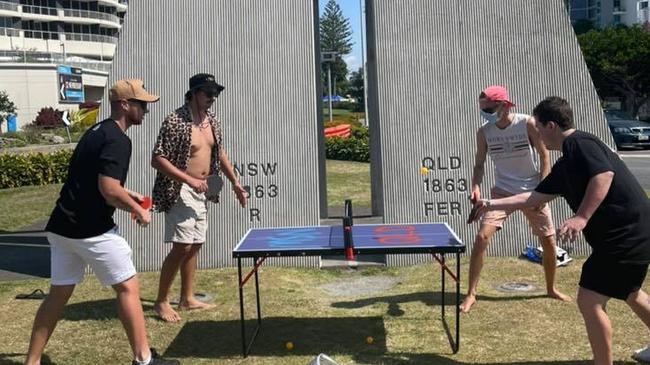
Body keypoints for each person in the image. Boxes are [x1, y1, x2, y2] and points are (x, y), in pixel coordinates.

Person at [470, 96, 650, 364]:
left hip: (626, 235)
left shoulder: (580, 143)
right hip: (634, 233)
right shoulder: (565, 165)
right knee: (630, 291)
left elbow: (604, 175)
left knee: (589, 300)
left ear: (551, 126)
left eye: (539, 128)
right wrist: (489, 204)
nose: (537, 134)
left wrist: (581, 217)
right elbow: (532, 198)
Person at [24, 79, 179, 365]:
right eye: (141, 104)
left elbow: (91, 181)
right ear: (124, 105)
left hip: (61, 228)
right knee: (128, 288)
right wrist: (138, 210)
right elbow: (108, 189)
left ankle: (31, 362)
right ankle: (144, 359)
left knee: (57, 295)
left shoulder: (95, 132)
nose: (146, 110)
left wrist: (129, 195)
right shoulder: (119, 140)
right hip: (91, 231)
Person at [460, 85, 570, 313]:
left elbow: (544, 155)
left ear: (503, 105)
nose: (485, 112)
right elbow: (479, 164)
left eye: (489, 108)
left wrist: (543, 190)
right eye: (482, 109)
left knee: (548, 242)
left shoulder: (527, 123)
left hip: (531, 191)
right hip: (501, 192)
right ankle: (471, 294)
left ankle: (551, 288)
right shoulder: (484, 132)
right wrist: (475, 186)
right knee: (481, 238)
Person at [152, 73, 246, 323]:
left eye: (215, 93)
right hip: (180, 189)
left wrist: (236, 183)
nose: (212, 97)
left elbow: (220, 153)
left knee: (195, 244)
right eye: (207, 92)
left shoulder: (212, 121)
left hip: (203, 192)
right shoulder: (176, 121)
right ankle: (161, 301)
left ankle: (187, 298)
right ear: (193, 93)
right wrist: (188, 179)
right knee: (181, 245)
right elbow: (157, 158)